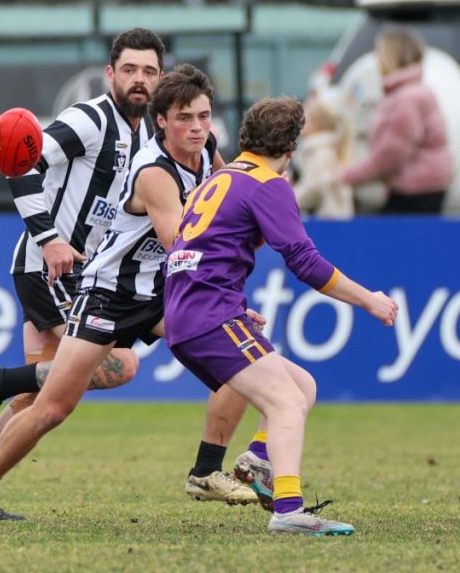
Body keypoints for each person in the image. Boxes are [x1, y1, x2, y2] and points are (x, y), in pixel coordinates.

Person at [0, 64, 262, 531]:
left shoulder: (208, 151)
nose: (196, 127)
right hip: (109, 295)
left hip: (159, 292)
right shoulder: (154, 171)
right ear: (161, 121)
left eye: (203, 117)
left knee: (243, 363)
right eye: (184, 118)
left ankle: (205, 470)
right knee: (52, 408)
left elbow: (227, 200)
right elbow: (185, 244)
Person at [165, 97, 397, 535]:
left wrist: (228, 305)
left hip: (190, 312)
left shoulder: (223, 177)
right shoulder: (268, 184)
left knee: (301, 386)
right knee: (286, 403)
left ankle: (257, 460)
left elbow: (193, 251)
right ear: (292, 149)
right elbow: (305, 262)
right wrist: (368, 299)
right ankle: (289, 510)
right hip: (208, 314)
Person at [340, 26, 452, 213]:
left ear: (392, 56)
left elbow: (391, 154)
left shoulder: (405, 99)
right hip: (429, 186)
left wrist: (345, 177)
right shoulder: (416, 91)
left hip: (415, 190)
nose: (377, 61)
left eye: (380, 54)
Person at [293, 99, 353, 218]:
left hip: (327, 220)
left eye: (305, 121)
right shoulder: (326, 150)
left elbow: (313, 188)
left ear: (317, 125)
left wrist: (287, 201)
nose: (300, 126)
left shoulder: (320, 153)